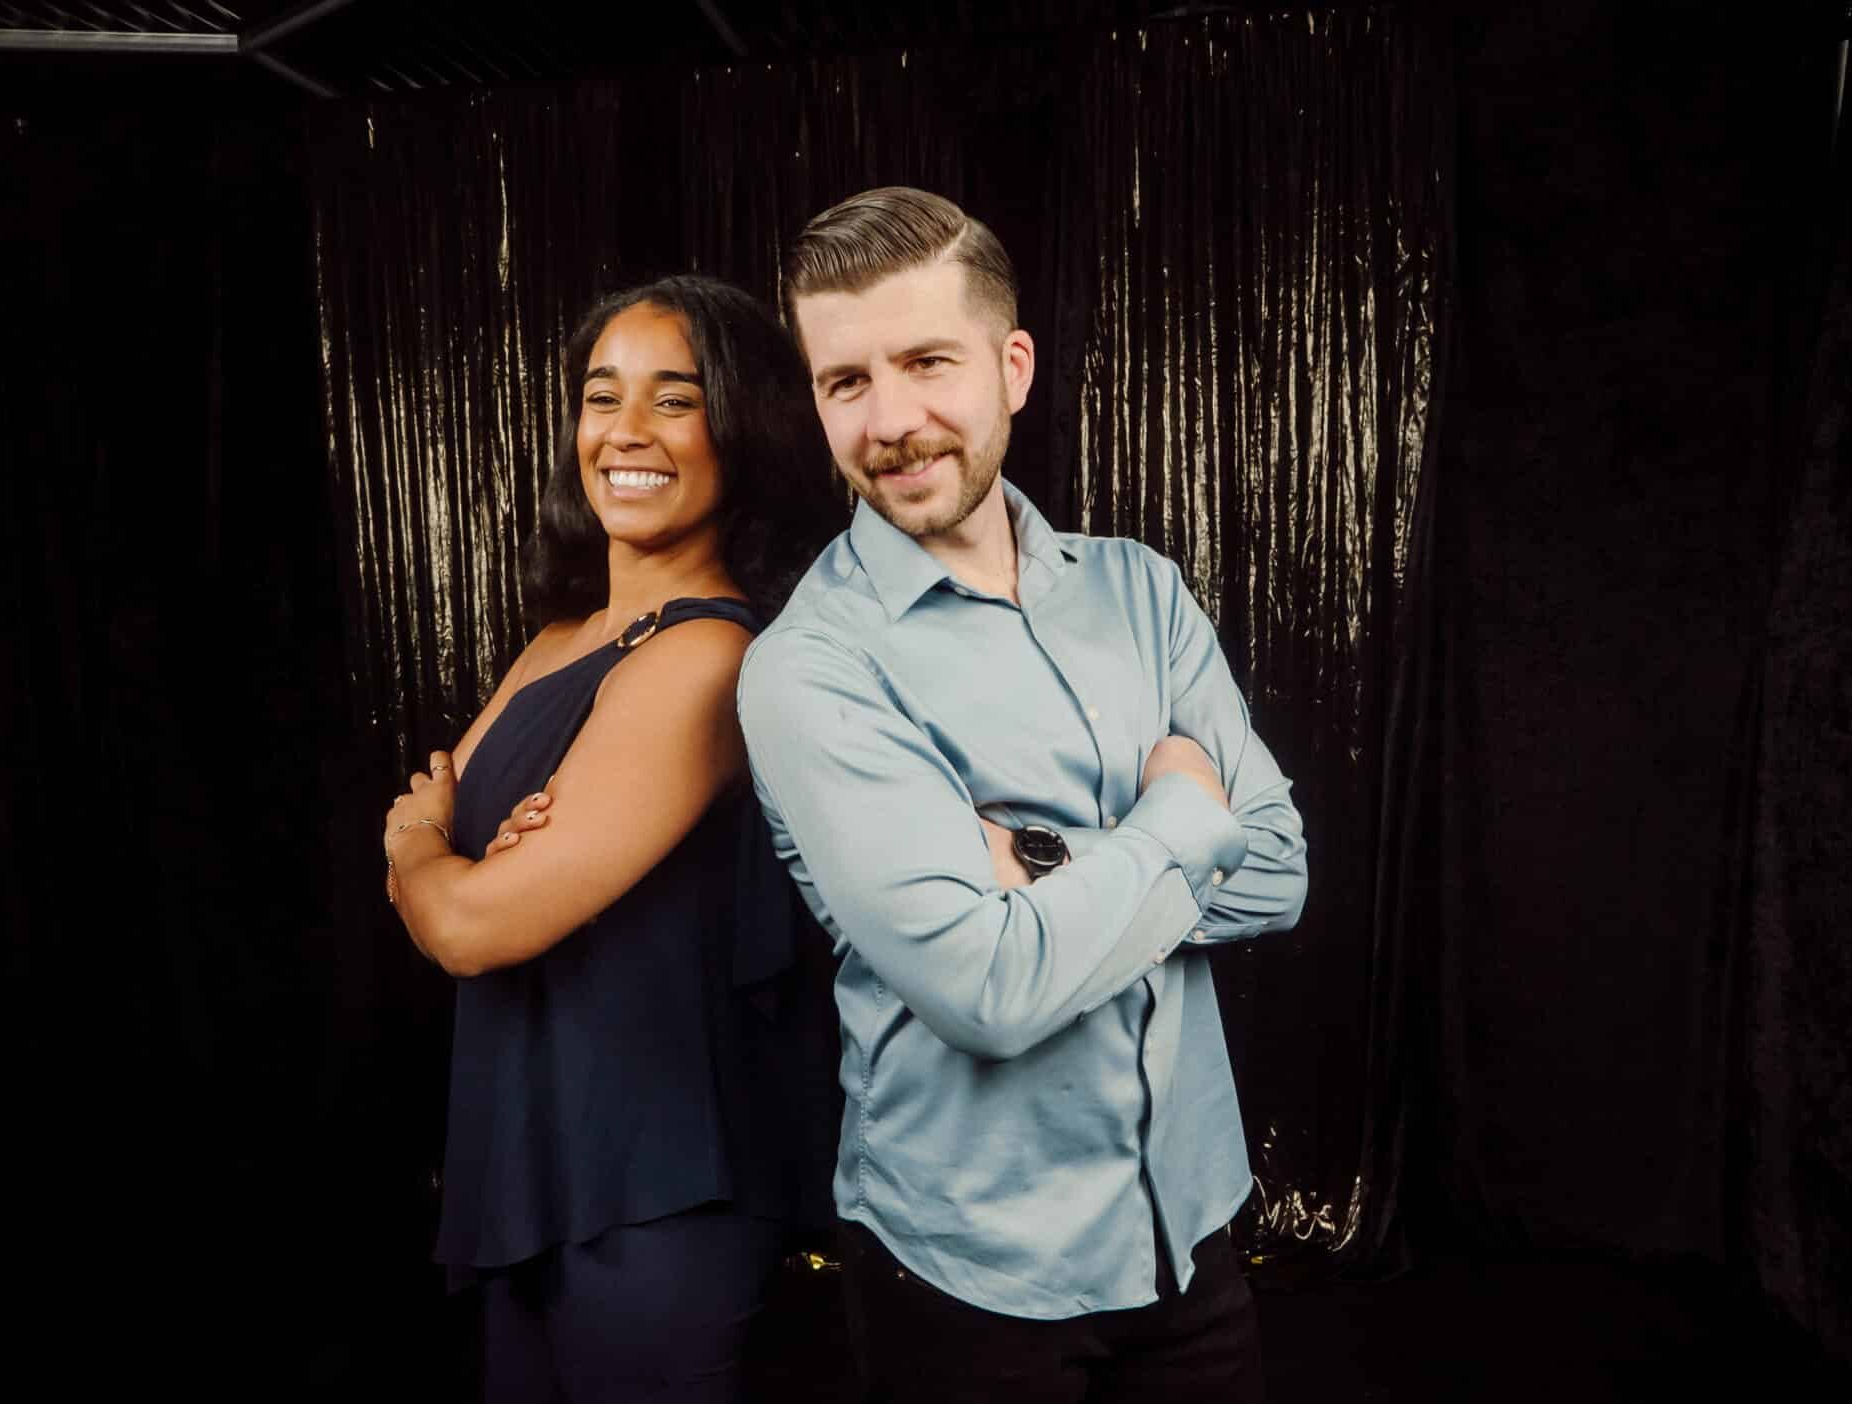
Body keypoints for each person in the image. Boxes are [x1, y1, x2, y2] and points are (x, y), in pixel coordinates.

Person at [736, 187, 1310, 1402]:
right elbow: (988, 990)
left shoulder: (1141, 592)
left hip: (1189, 1231)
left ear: (1011, 367)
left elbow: (1274, 865)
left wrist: (1033, 867)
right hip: (966, 1278)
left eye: (926, 362)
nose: (889, 420)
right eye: (845, 381)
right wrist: (1169, 826)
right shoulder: (809, 667)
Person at [381, 274, 840, 1403]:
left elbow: (466, 921)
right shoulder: (561, 639)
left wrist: (421, 850)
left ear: (742, 430)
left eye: (673, 400)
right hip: (530, 1146)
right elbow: (458, 853)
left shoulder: (709, 658)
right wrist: (460, 853)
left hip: (658, 1170)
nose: (624, 433)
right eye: (601, 396)